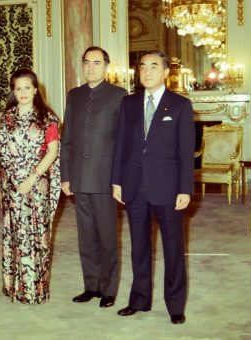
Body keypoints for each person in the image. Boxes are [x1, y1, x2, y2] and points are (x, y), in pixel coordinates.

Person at [111, 50, 195, 324]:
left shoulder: (180, 105)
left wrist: (185, 189)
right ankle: (139, 300)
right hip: (134, 186)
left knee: (172, 247)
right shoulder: (128, 103)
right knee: (139, 247)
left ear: (166, 72)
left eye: (153, 67)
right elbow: (120, 145)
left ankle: (175, 305)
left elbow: (186, 152)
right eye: (142, 67)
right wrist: (116, 180)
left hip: (168, 188)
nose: (146, 72)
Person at [60, 46, 127, 308]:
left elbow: (123, 142)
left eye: (96, 63)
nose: (91, 67)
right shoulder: (74, 95)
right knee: (86, 236)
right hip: (79, 178)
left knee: (108, 236)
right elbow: (67, 140)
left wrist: (119, 179)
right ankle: (91, 286)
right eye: (87, 62)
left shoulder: (119, 96)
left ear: (106, 66)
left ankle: (109, 289)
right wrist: (66, 176)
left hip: (105, 178)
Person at [0, 68, 60, 304]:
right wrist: (14, 182)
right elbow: (2, 153)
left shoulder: (48, 118)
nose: (23, 92)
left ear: (35, 89)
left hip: (38, 185)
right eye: (18, 88)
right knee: (16, 235)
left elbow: (52, 152)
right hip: (13, 186)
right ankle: (15, 287)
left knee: (37, 235)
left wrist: (32, 178)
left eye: (27, 87)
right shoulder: (7, 118)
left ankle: (35, 289)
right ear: (13, 92)